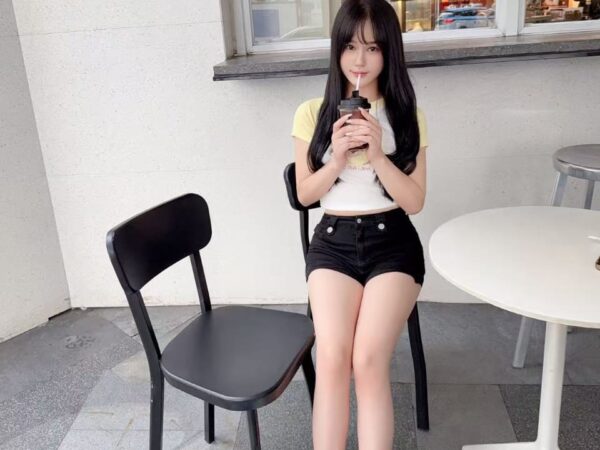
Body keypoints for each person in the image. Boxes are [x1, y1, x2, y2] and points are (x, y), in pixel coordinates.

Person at [290, 0, 429, 449]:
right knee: (333, 357)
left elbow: (415, 202)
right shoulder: (312, 113)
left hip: (394, 243)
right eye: (350, 46)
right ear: (337, 50)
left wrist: (378, 155)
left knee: (367, 360)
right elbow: (305, 195)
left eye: (372, 48)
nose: (360, 60)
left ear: (389, 52)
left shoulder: (407, 115)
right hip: (334, 242)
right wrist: (335, 159)